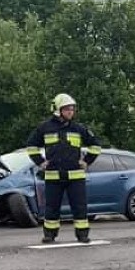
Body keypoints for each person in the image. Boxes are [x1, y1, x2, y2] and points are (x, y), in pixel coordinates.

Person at [27, 93, 102, 243]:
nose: (70, 112)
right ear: (57, 110)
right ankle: (49, 235)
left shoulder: (79, 128)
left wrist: (87, 161)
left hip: (76, 177)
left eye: (72, 109)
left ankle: (82, 235)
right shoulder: (45, 127)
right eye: (67, 109)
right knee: (51, 208)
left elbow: (96, 145)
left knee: (79, 208)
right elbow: (31, 145)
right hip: (53, 176)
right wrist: (40, 162)